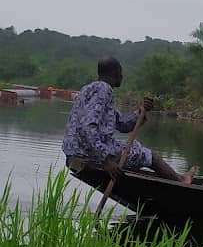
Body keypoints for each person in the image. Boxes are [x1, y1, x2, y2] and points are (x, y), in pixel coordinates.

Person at [62, 57, 193, 182]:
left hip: (77, 152)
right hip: (87, 154)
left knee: (133, 148)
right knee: (150, 156)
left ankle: (176, 177)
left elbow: (123, 125)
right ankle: (181, 181)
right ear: (115, 73)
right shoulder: (104, 89)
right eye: (121, 72)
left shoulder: (87, 89)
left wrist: (141, 111)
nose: (122, 76)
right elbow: (88, 127)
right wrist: (106, 160)